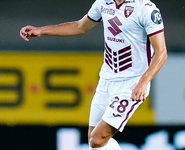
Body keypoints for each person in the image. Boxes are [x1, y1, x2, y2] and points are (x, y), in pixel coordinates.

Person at [20, 0, 167, 149]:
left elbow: (161, 52)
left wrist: (143, 81)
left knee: (98, 139)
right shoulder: (103, 3)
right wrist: (42, 30)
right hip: (106, 80)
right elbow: (80, 26)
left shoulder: (145, 9)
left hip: (131, 84)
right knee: (95, 143)